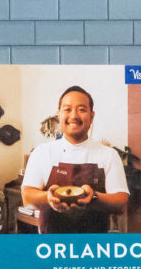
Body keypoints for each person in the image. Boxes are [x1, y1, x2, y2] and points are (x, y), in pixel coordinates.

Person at [19, 85, 130, 232]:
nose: (74, 115)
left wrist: (94, 197)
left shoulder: (108, 154)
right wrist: (49, 197)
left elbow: (121, 201)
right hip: (52, 244)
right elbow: (27, 196)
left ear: (92, 116)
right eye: (67, 109)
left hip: (95, 245)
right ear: (58, 115)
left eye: (82, 109)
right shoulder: (42, 152)